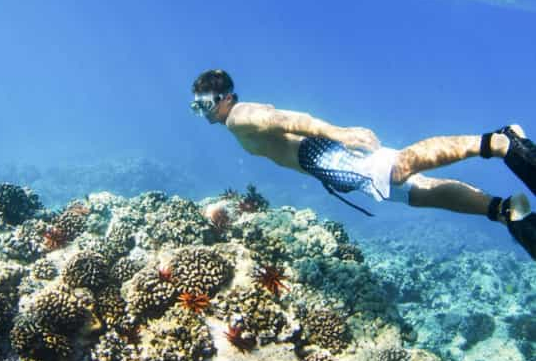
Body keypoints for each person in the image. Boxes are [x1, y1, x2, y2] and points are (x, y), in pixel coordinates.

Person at [190, 69, 536, 259]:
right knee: (417, 192)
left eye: (205, 103)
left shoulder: (239, 116)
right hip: (325, 163)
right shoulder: (239, 115)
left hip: (323, 156)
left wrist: (338, 133)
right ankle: (502, 209)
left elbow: (288, 119)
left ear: (226, 98)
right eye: (197, 106)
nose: (202, 111)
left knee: (400, 167)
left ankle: (497, 143)